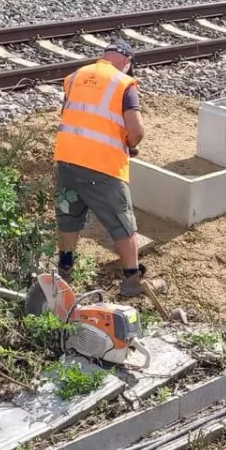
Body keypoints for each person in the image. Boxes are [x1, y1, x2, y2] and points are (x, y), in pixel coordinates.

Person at [52, 39, 162, 297]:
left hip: (67, 160)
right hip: (101, 165)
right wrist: (128, 144)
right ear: (126, 62)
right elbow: (136, 131)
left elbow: (75, 114)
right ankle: (132, 280)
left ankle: (65, 272)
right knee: (123, 222)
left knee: (69, 217)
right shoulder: (123, 83)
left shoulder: (77, 76)